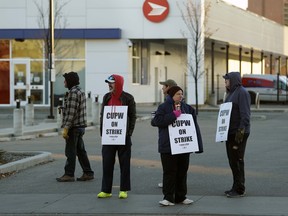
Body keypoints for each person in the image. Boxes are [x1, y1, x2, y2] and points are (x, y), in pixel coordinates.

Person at [151, 86, 203, 206]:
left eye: (182, 94)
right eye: (178, 94)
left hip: (183, 146)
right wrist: (173, 115)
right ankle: (168, 198)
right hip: (168, 147)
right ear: (171, 95)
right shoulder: (163, 107)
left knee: (182, 172)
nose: (181, 96)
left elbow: (194, 127)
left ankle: (181, 197)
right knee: (169, 172)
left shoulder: (188, 108)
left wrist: (197, 145)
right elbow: (155, 121)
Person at [97, 74, 137, 199]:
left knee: (124, 164)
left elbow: (133, 116)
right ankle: (106, 190)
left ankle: (123, 189)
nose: (109, 85)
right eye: (108, 83)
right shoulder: (106, 97)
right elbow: (103, 115)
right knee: (107, 163)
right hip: (108, 136)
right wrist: (103, 133)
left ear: (118, 83)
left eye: (112, 82)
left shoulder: (128, 98)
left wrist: (129, 133)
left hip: (123, 136)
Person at [56, 71, 94, 182]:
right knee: (80, 151)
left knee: (70, 152)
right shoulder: (80, 90)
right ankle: (88, 172)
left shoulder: (73, 93)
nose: (64, 82)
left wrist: (66, 128)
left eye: (65, 80)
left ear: (70, 81)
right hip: (80, 126)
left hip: (74, 127)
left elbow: (72, 112)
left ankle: (69, 174)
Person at [222, 71, 251, 198]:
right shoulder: (231, 93)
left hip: (239, 132)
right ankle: (235, 186)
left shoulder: (242, 93)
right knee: (232, 160)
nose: (225, 82)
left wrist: (240, 133)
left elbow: (245, 116)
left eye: (227, 80)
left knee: (238, 160)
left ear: (233, 80)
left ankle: (240, 189)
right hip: (230, 132)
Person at [156, 79, 177, 188]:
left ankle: (169, 184)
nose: (162, 88)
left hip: (169, 139)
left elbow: (159, 121)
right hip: (173, 139)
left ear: (168, 87)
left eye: (164, 86)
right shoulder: (171, 103)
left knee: (169, 165)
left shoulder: (167, 104)